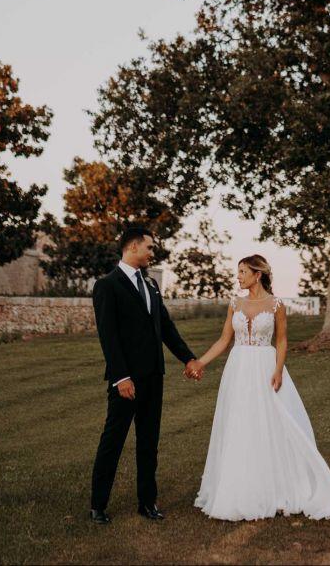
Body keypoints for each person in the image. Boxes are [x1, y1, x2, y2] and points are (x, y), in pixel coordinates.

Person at [191, 254, 330, 521]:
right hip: (239, 368)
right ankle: (238, 488)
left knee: (270, 421)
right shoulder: (235, 303)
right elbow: (224, 340)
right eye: (238, 272)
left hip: (265, 366)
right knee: (240, 423)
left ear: (257, 274)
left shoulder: (276, 305)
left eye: (242, 272)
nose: (238, 277)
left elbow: (282, 341)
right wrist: (200, 362)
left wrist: (278, 369)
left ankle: (278, 486)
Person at [88, 224, 204, 524]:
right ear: (133, 246)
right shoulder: (107, 285)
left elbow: (166, 328)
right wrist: (121, 377)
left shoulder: (151, 285)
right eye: (149, 247)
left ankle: (147, 502)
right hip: (126, 380)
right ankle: (98, 505)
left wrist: (188, 358)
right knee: (113, 441)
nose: (153, 252)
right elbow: (108, 337)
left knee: (149, 442)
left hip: (154, 376)